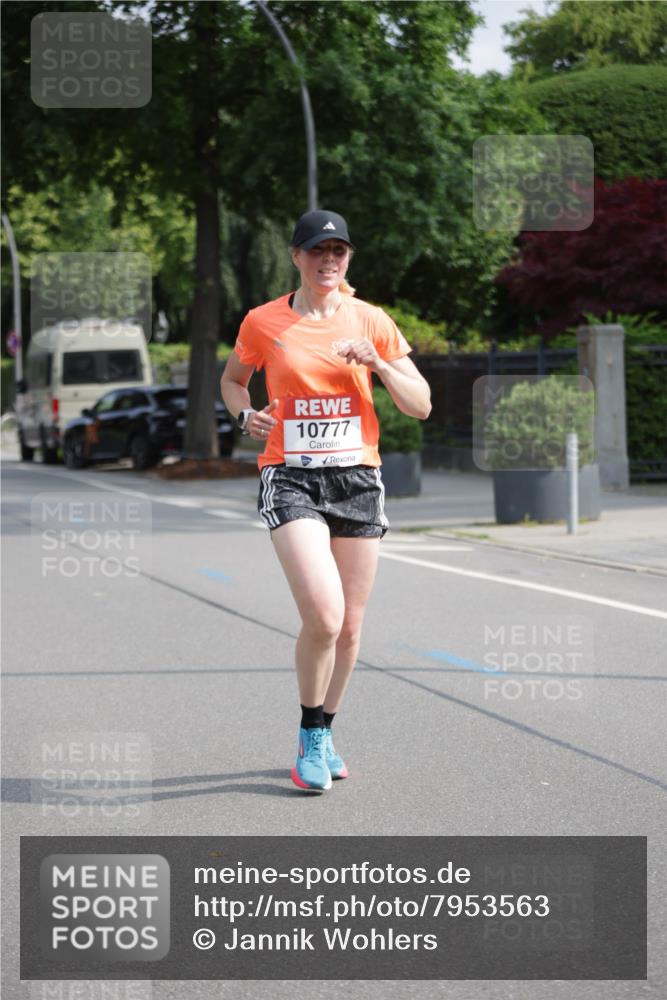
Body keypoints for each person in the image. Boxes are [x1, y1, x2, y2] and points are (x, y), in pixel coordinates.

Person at [221, 209, 431, 793]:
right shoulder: (264, 322)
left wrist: (381, 362)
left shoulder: (372, 321)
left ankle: (326, 730)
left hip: (358, 480)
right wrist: (245, 415)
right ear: (297, 258)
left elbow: (421, 405)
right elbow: (233, 380)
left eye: (338, 251)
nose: (328, 260)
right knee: (324, 614)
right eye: (317, 251)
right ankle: (310, 733)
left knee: (351, 628)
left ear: (348, 259)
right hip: (290, 475)